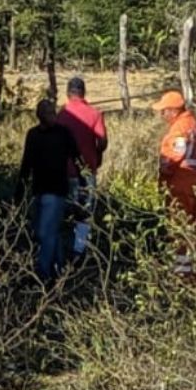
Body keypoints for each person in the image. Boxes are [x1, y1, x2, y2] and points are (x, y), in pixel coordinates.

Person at [16, 97, 77, 281]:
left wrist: (83, 180)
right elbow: (26, 162)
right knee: (48, 231)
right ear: (40, 116)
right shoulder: (33, 135)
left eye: (53, 112)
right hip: (39, 189)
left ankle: (42, 273)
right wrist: (20, 189)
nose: (53, 116)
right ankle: (59, 268)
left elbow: (76, 156)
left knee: (46, 232)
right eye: (48, 113)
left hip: (56, 190)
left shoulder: (63, 133)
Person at [155, 89, 196, 277]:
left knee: (179, 228)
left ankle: (182, 275)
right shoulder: (195, 124)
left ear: (173, 110)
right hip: (195, 184)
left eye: (163, 111)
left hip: (180, 185)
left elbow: (173, 156)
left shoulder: (180, 128)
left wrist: (163, 172)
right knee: (193, 227)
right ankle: (195, 271)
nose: (161, 115)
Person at [57, 76, 108, 258]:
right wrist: (97, 155)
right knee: (84, 214)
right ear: (83, 92)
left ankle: (62, 253)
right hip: (86, 171)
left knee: (63, 212)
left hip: (63, 172)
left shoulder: (62, 115)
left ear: (68, 93)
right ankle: (78, 252)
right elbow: (102, 141)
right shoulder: (95, 114)